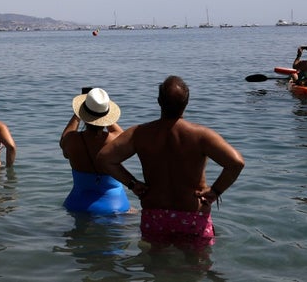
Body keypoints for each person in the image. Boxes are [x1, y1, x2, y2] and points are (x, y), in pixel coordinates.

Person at [97, 76, 245, 247]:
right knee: (197, 268)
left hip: (155, 213)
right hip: (192, 214)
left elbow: (105, 158)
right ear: (187, 103)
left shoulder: (140, 133)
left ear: (159, 101)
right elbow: (236, 163)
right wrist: (215, 191)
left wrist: (132, 184)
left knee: (155, 267)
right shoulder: (201, 135)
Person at [60, 87, 130, 215]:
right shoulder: (116, 140)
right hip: (114, 206)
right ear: (107, 116)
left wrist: (79, 113)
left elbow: (64, 139)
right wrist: (103, 111)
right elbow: (123, 135)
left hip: (77, 204)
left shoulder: (71, 141)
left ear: (82, 113)